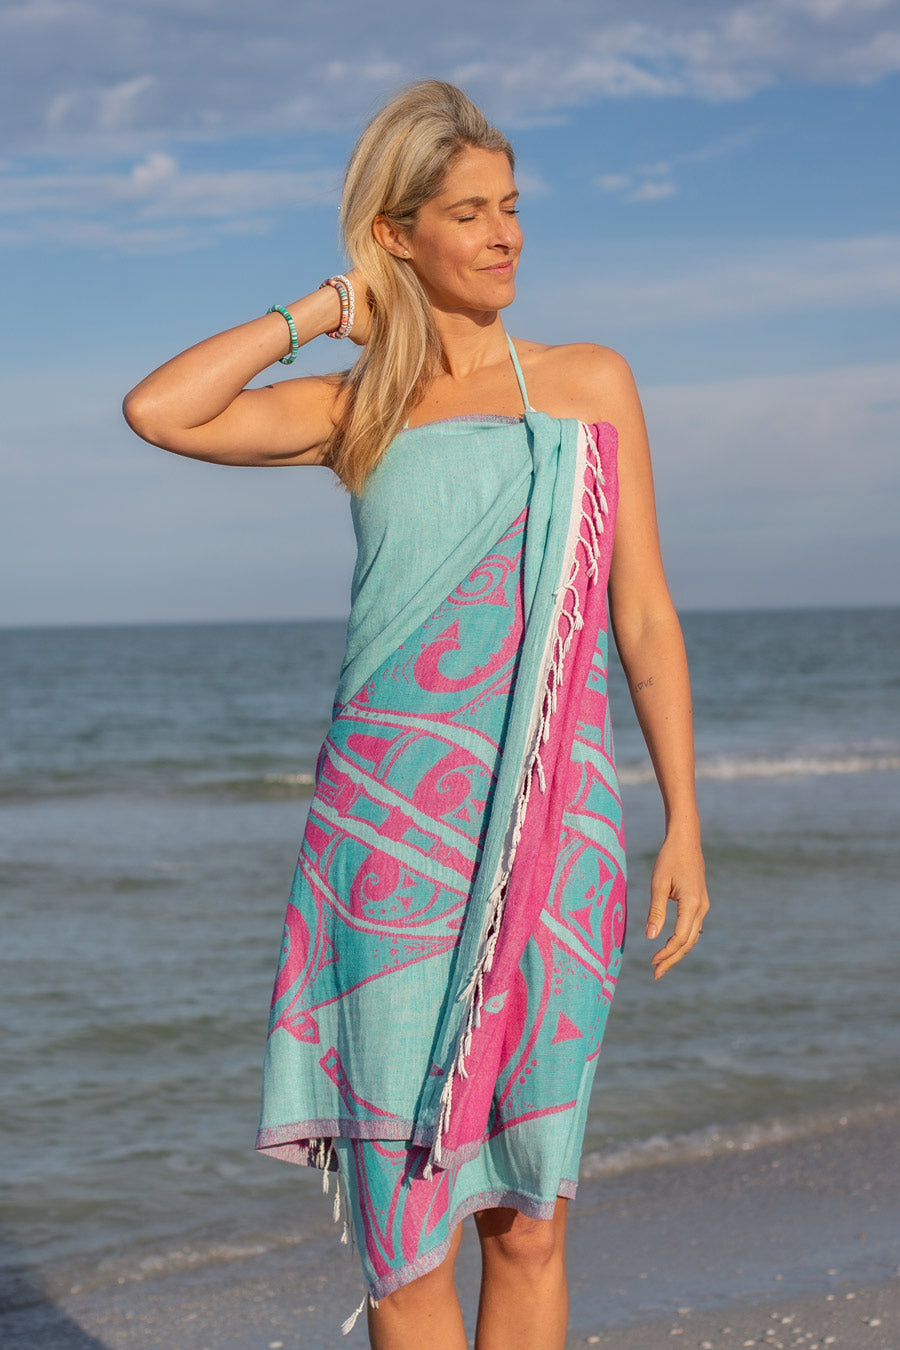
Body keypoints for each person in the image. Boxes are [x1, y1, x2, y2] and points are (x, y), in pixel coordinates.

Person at [124, 79, 709, 1350]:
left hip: (561, 842)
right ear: (399, 234)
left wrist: (684, 823)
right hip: (385, 856)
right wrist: (331, 312)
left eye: (513, 208)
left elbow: (644, 618)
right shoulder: (361, 410)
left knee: (532, 1216)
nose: (503, 235)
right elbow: (161, 411)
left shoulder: (589, 383)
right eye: (467, 213)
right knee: (408, 1238)